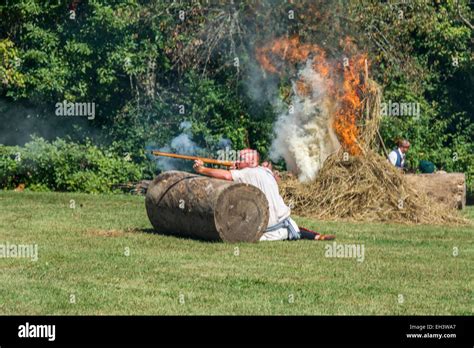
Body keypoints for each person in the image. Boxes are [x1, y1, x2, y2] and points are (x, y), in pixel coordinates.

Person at [193, 148, 335, 241]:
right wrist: (235, 169)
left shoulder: (248, 172)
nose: (236, 161)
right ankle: (317, 236)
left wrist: (202, 169)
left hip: (268, 229)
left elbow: (226, 177)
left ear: (251, 162)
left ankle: (315, 236)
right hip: (284, 221)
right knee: (296, 228)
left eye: (240, 159)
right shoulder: (264, 171)